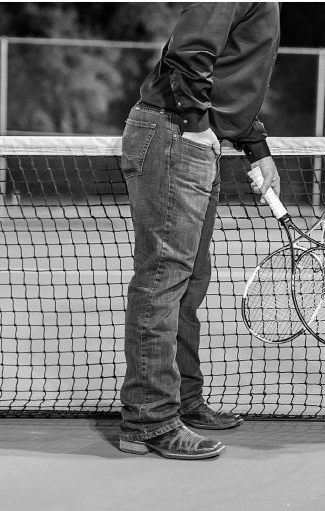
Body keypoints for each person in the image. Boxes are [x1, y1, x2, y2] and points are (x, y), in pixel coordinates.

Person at [118, 3, 281, 459]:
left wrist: (257, 148)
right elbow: (189, 51)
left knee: (189, 282)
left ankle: (184, 401)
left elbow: (232, 78)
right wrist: (196, 123)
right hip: (175, 135)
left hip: (189, 137)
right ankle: (149, 421)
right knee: (163, 279)